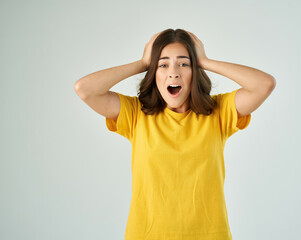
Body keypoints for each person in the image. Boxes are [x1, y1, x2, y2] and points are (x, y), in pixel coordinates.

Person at [74, 28, 276, 240]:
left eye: (184, 63)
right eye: (163, 64)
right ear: (154, 72)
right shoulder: (136, 114)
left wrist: (205, 61)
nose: (174, 72)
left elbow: (264, 85)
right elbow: (85, 89)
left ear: (194, 71)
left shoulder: (218, 112)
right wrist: (143, 63)